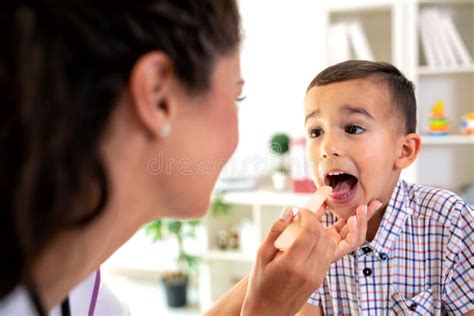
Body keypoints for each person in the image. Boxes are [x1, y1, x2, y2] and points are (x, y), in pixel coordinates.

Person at [0, 2, 378, 315]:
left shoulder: (75, 286)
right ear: (159, 96)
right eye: (236, 98)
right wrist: (268, 308)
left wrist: (270, 278)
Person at [297, 60, 474, 315]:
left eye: (353, 128)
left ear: (404, 151)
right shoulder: (312, 233)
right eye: (315, 132)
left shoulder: (451, 223)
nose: (326, 147)